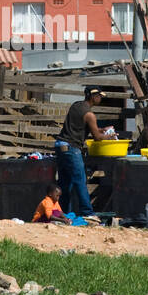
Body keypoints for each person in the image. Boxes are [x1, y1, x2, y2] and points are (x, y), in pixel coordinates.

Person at [54, 86, 113, 218]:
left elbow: (80, 126)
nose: (100, 98)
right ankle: (88, 213)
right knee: (80, 181)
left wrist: (101, 129)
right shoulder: (90, 115)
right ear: (93, 96)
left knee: (65, 183)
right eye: (99, 96)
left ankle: (62, 214)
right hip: (71, 148)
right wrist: (110, 135)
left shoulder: (76, 105)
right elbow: (97, 137)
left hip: (60, 145)